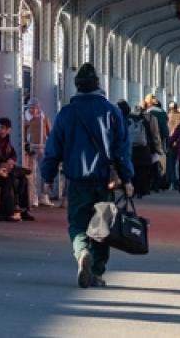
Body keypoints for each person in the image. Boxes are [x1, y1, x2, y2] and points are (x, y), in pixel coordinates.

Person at [41, 63, 134, 289]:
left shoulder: (66, 113)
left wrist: (48, 176)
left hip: (77, 180)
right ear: (98, 85)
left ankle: (82, 252)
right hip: (105, 181)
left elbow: (53, 148)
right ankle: (97, 271)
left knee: (78, 223)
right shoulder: (112, 111)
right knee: (103, 227)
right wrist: (128, 179)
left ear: (77, 87)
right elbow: (122, 149)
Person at [0, 117, 34, 221]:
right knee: (10, 177)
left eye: (4, 128)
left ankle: (23, 210)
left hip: (6, 168)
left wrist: (11, 160)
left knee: (23, 179)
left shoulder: (7, 140)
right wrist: (2, 164)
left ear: (8, 129)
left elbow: (13, 154)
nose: (1, 130)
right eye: (0, 127)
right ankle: (7, 211)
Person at [24, 98, 52, 207]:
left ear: (38, 108)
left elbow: (50, 132)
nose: (33, 110)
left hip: (43, 148)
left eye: (34, 108)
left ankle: (44, 196)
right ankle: (34, 197)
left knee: (44, 173)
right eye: (31, 108)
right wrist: (25, 145)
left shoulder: (44, 117)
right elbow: (22, 133)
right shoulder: (25, 118)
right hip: (30, 149)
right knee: (32, 173)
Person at [128, 105, 156, 198]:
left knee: (133, 171)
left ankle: (133, 190)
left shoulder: (128, 121)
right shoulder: (144, 121)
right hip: (143, 150)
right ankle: (141, 191)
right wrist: (153, 149)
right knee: (142, 172)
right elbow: (150, 136)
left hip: (132, 150)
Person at [144, 94, 169, 192]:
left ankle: (148, 184)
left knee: (148, 162)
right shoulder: (162, 112)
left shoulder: (147, 112)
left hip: (147, 141)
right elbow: (165, 130)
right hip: (159, 140)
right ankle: (158, 184)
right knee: (158, 162)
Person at [166, 101, 180, 190]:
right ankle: (179, 181)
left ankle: (173, 182)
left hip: (171, 142)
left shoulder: (168, 116)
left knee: (171, 163)